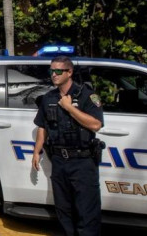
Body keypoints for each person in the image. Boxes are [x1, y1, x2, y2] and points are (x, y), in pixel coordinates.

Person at [32, 56, 104, 235]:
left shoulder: (87, 95)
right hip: (59, 161)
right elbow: (42, 125)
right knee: (64, 210)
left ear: (69, 72)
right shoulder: (49, 97)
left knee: (87, 211)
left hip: (83, 162)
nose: (53, 75)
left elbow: (96, 124)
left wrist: (70, 108)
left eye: (58, 71)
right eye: (51, 71)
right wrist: (37, 150)